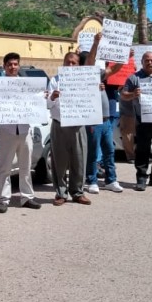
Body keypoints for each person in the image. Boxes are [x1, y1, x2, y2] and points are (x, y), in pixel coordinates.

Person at [0, 52, 42, 213]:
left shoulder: (27, 84)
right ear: (4, 66)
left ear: (19, 66)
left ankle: (27, 197)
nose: (13, 67)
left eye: (15, 64)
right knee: (4, 167)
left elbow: (37, 101)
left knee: (25, 166)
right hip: (6, 130)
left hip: (24, 130)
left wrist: (43, 97)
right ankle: (3, 199)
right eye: (9, 65)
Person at [47, 51, 91, 205]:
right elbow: (47, 105)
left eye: (74, 63)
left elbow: (93, 102)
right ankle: (61, 193)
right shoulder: (55, 81)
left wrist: (98, 88)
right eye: (68, 62)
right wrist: (53, 97)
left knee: (79, 160)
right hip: (59, 125)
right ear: (63, 63)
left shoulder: (87, 81)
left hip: (78, 126)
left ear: (79, 65)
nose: (70, 65)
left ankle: (78, 192)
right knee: (59, 161)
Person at [122, 51, 152, 191]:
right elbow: (124, 95)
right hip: (143, 121)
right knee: (142, 150)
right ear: (142, 62)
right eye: (147, 60)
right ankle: (141, 178)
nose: (150, 62)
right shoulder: (134, 78)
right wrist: (133, 94)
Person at [84, 34, 123, 194]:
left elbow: (115, 68)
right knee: (93, 152)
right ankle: (92, 180)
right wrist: (95, 44)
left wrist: (123, 54)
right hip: (93, 120)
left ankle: (111, 180)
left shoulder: (100, 74)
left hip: (106, 119)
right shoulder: (85, 74)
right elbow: (89, 61)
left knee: (109, 151)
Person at [117, 50, 136, 163]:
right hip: (126, 108)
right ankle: (130, 156)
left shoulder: (137, 75)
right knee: (127, 133)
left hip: (140, 109)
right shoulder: (119, 74)